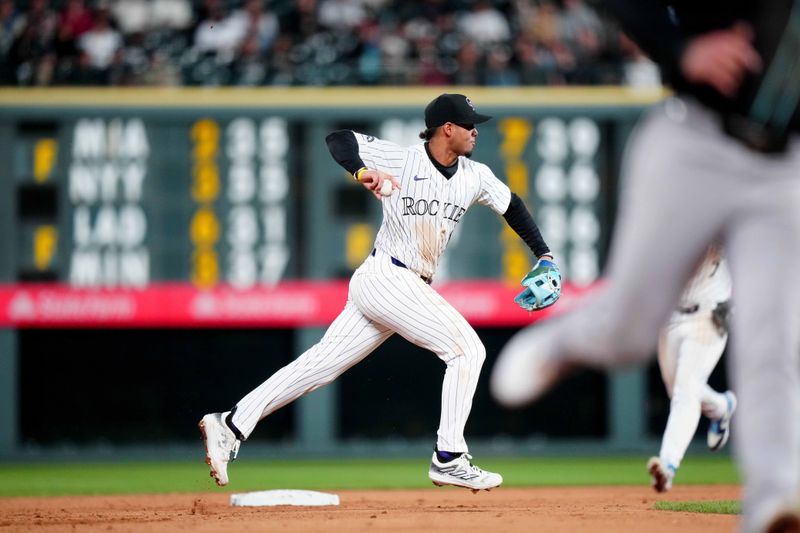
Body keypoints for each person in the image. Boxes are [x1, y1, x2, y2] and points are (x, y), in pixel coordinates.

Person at [490, 2, 800, 532]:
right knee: (625, 334)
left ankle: (777, 501)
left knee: (775, 341)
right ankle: (562, 341)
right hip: (696, 138)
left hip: (786, 170)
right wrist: (678, 48)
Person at [200, 93, 558, 492]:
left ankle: (230, 423)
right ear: (448, 128)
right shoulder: (403, 159)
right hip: (388, 276)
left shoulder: (476, 175)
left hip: (398, 285)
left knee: (320, 365)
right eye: (470, 124)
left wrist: (544, 254)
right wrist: (360, 172)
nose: (476, 131)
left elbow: (513, 206)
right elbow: (339, 139)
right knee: (467, 350)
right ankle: (449, 457)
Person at [647, 246, 736, 493]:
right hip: (671, 317)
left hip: (708, 315)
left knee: (685, 392)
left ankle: (668, 465)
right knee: (675, 388)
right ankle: (721, 407)